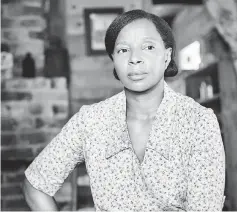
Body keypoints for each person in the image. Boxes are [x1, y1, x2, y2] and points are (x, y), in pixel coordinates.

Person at [22, 9, 225, 211]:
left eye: (148, 47)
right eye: (123, 50)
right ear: (114, 60)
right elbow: (36, 185)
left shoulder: (198, 122)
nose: (134, 58)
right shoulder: (91, 121)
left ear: (167, 56)